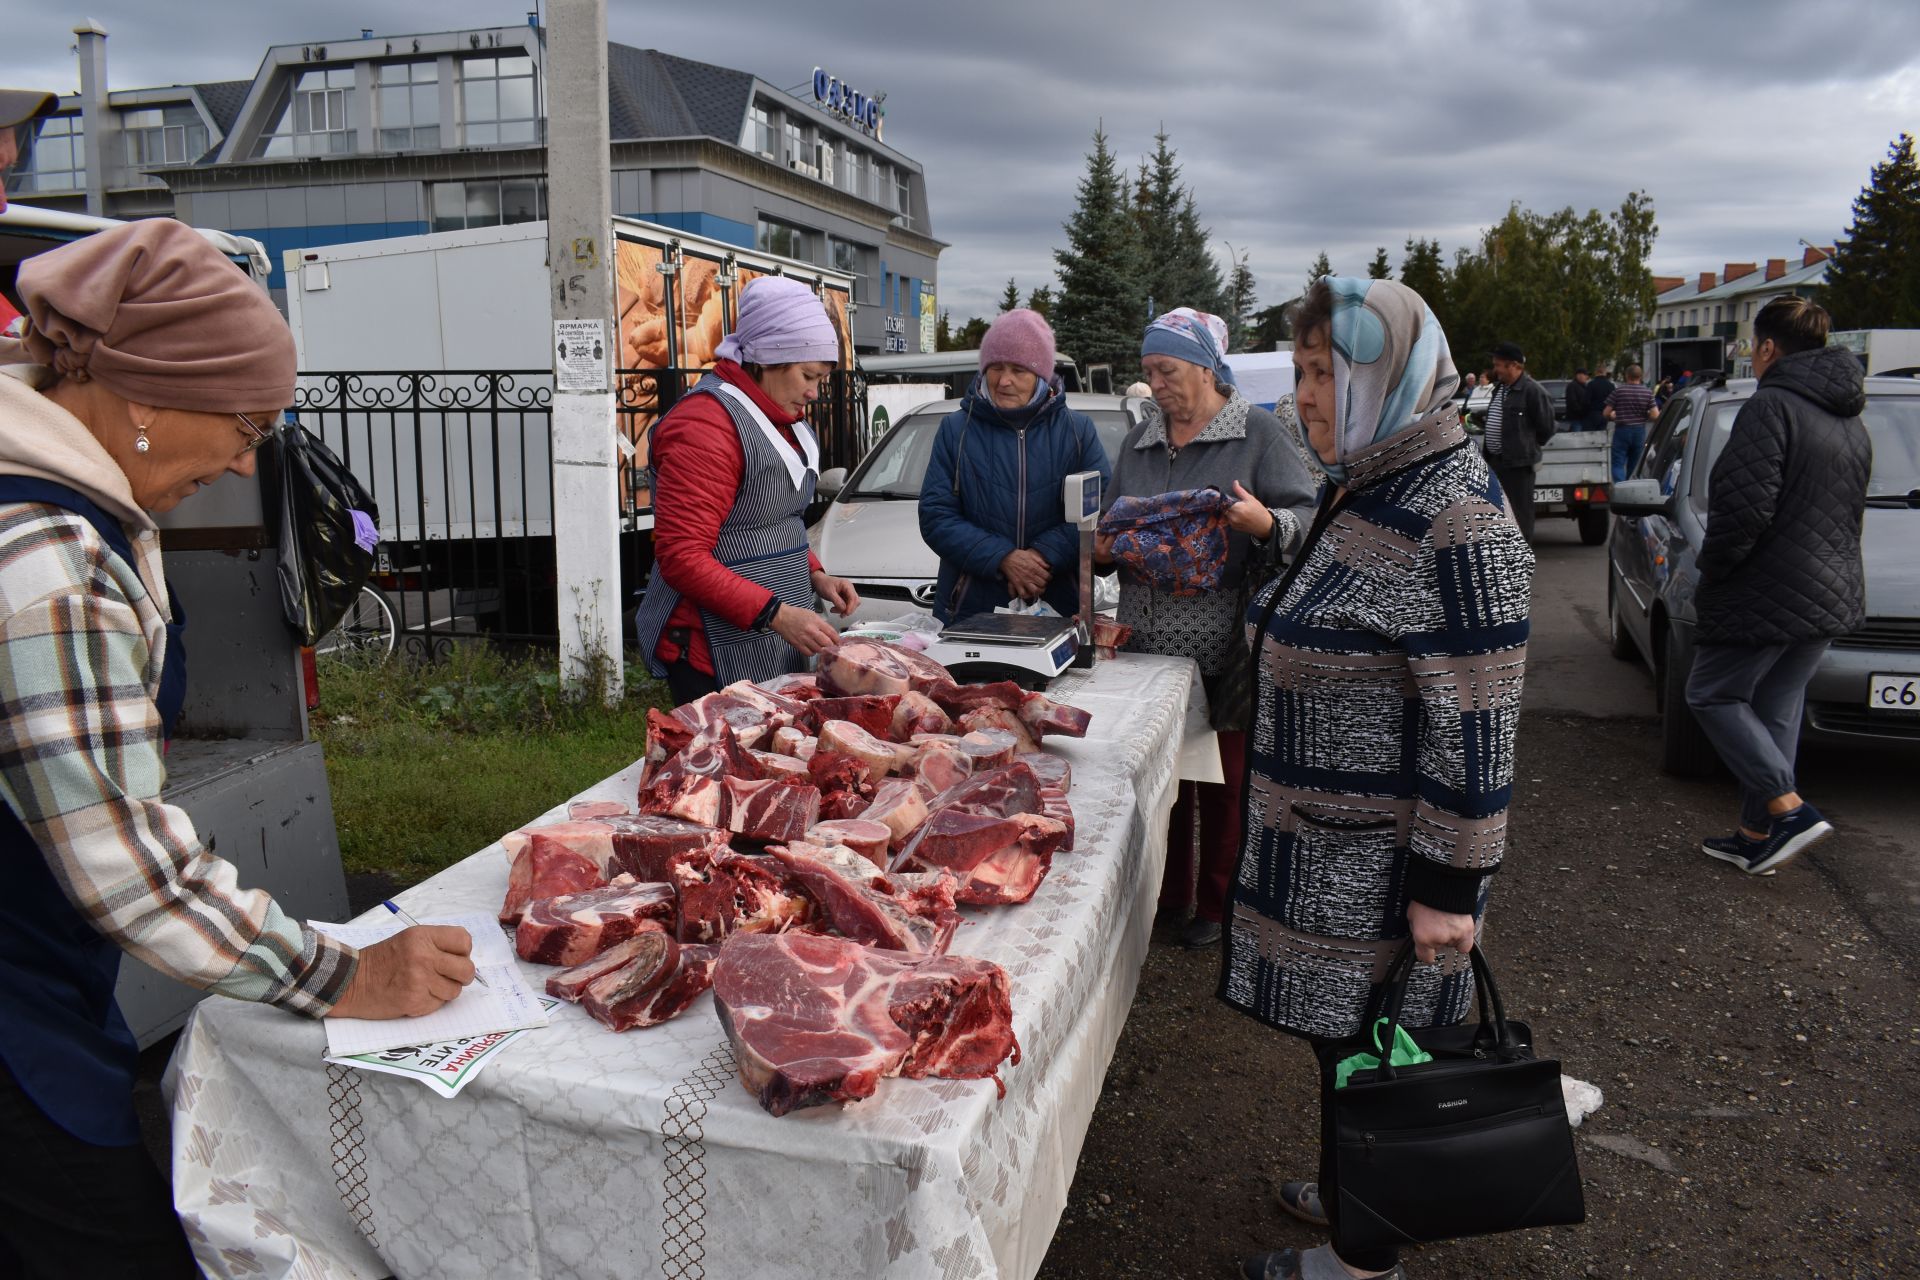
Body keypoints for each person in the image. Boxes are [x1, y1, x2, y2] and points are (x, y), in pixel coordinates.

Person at [0, 219, 476, 1278]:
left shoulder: (75, 504)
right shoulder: (49, 562)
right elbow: (128, 869)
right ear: (143, 401)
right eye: (247, 424)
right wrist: (340, 974)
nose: (244, 459)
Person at [1227, 277, 1533, 1280]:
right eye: (1304, 370)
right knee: (1344, 1046)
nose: (1305, 395)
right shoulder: (1370, 481)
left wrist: (1450, 888)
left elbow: (1477, 725)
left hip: (1382, 872)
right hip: (1327, 846)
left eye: (1326, 372)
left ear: (1392, 376)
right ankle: (1354, 1170)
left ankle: (1366, 1258)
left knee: (1379, 1050)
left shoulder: (1454, 517)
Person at [1094, 308, 1316, 950]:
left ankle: (1219, 905)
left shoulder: (1258, 434)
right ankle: (1165, 901)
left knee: (1222, 780)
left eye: (1166, 369)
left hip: (1226, 643)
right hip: (1145, 638)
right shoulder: (1140, 439)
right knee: (1163, 779)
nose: (1156, 383)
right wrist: (1103, 547)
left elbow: (1306, 516)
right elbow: (1110, 516)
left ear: (1205, 369)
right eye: (1149, 371)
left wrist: (1267, 525)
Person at [1686, 296, 1870, 876]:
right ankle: (1755, 832)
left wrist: (1712, 570)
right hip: (1832, 586)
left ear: (1766, 348)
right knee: (1776, 705)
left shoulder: (1771, 407)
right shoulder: (1848, 416)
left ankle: (1788, 810)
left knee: (1711, 692)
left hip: (1769, 587)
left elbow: (1742, 510)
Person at [633, 276, 861, 703]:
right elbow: (681, 556)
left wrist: (815, 574)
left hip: (767, 635)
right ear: (766, 359)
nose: (814, 392)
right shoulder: (705, 425)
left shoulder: (779, 416)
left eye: (821, 379)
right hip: (713, 646)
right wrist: (774, 614)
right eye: (808, 375)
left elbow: (774, 515)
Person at [918, 308, 1111, 622]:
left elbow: (1099, 511)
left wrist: (1042, 556)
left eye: (1018, 370)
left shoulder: (1077, 431)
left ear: (1041, 376)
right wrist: (1002, 557)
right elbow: (935, 515)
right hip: (971, 610)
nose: (1004, 380)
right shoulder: (956, 429)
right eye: (995, 367)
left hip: (1059, 606)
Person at [1479, 340, 1556, 541]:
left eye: (1498, 365)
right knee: (1498, 512)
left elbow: (1546, 428)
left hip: (1519, 465)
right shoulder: (1500, 389)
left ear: (1513, 365)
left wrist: (1524, 446)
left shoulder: (1532, 391)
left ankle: (1520, 559)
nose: (1495, 370)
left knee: (1520, 513)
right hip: (1496, 462)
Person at [1602, 363, 1659, 482]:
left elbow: (1606, 413)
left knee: (1617, 463)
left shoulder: (1619, 391)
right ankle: (1630, 486)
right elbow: (1655, 415)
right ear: (1641, 376)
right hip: (1639, 431)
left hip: (1622, 430)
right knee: (1634, 465)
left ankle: (1620, 486)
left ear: (1627, 376)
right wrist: (1644, 414)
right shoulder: (1647, 393)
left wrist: (1613, 416)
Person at [1583, 363, 1616, 433]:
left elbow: (1586, 401)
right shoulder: (1611, 385)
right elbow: (1614, 402)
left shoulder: (1591, 384)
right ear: (1605, 373)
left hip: (1592, 414)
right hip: (1605, 414)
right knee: (1601, 435)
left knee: (1590, 436)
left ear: (1596, 372)